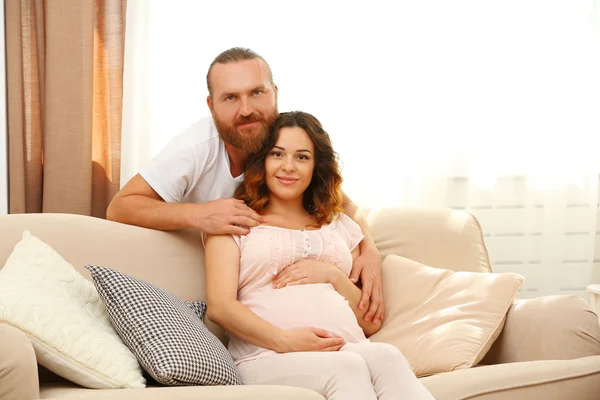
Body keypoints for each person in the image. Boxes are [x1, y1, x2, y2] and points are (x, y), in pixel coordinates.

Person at [107, 47, 384, 323]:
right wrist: (199, 215)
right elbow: (120, 207)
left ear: (275, 92)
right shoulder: (195, 148)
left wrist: (370, 251)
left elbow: (341, 201)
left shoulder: (279, 135)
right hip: (210, 273)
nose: (247, 110)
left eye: (257, 92)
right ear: (211, 104)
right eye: (230, 98)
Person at [204, 111, 434, 400]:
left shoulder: (339, 226)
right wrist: (287, 341)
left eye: (302, 157)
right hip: (264, 356)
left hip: (346, 349)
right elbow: (220, 307)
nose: (288, 167)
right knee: (347, 367)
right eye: (277, 154)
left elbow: (370, 323)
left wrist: (332, 276)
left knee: (387, 355)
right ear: (261, 160)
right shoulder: (233, 220)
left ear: (316, 166)